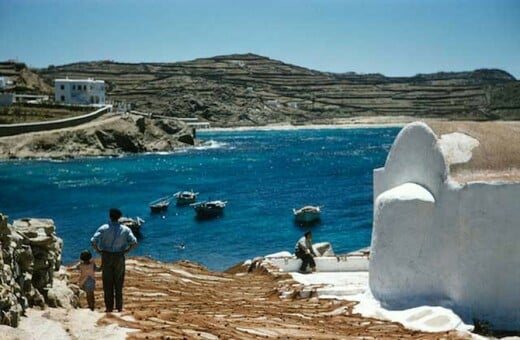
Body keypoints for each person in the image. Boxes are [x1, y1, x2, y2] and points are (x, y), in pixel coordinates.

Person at [91, 208, 138, 312]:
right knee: (119, 282)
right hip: (119, 256)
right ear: (120, 217)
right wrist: (127, 251)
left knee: (107, 283)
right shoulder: (125, 229)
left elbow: (93, 240)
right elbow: (134, 242)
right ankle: (119, 307)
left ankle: (109, 307)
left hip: (106, 256)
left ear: (110, 216)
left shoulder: (104, 228)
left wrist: (98, 251)